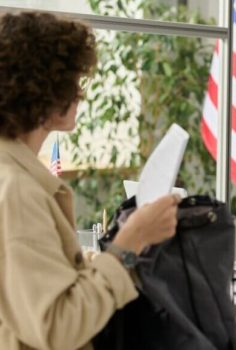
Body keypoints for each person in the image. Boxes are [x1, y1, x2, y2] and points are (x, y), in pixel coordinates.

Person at [0, 12, 180, 349]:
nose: (80, 95)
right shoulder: (18, 191)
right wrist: (130, 241)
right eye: (73, 82)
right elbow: (58, 326)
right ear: (45, 92)